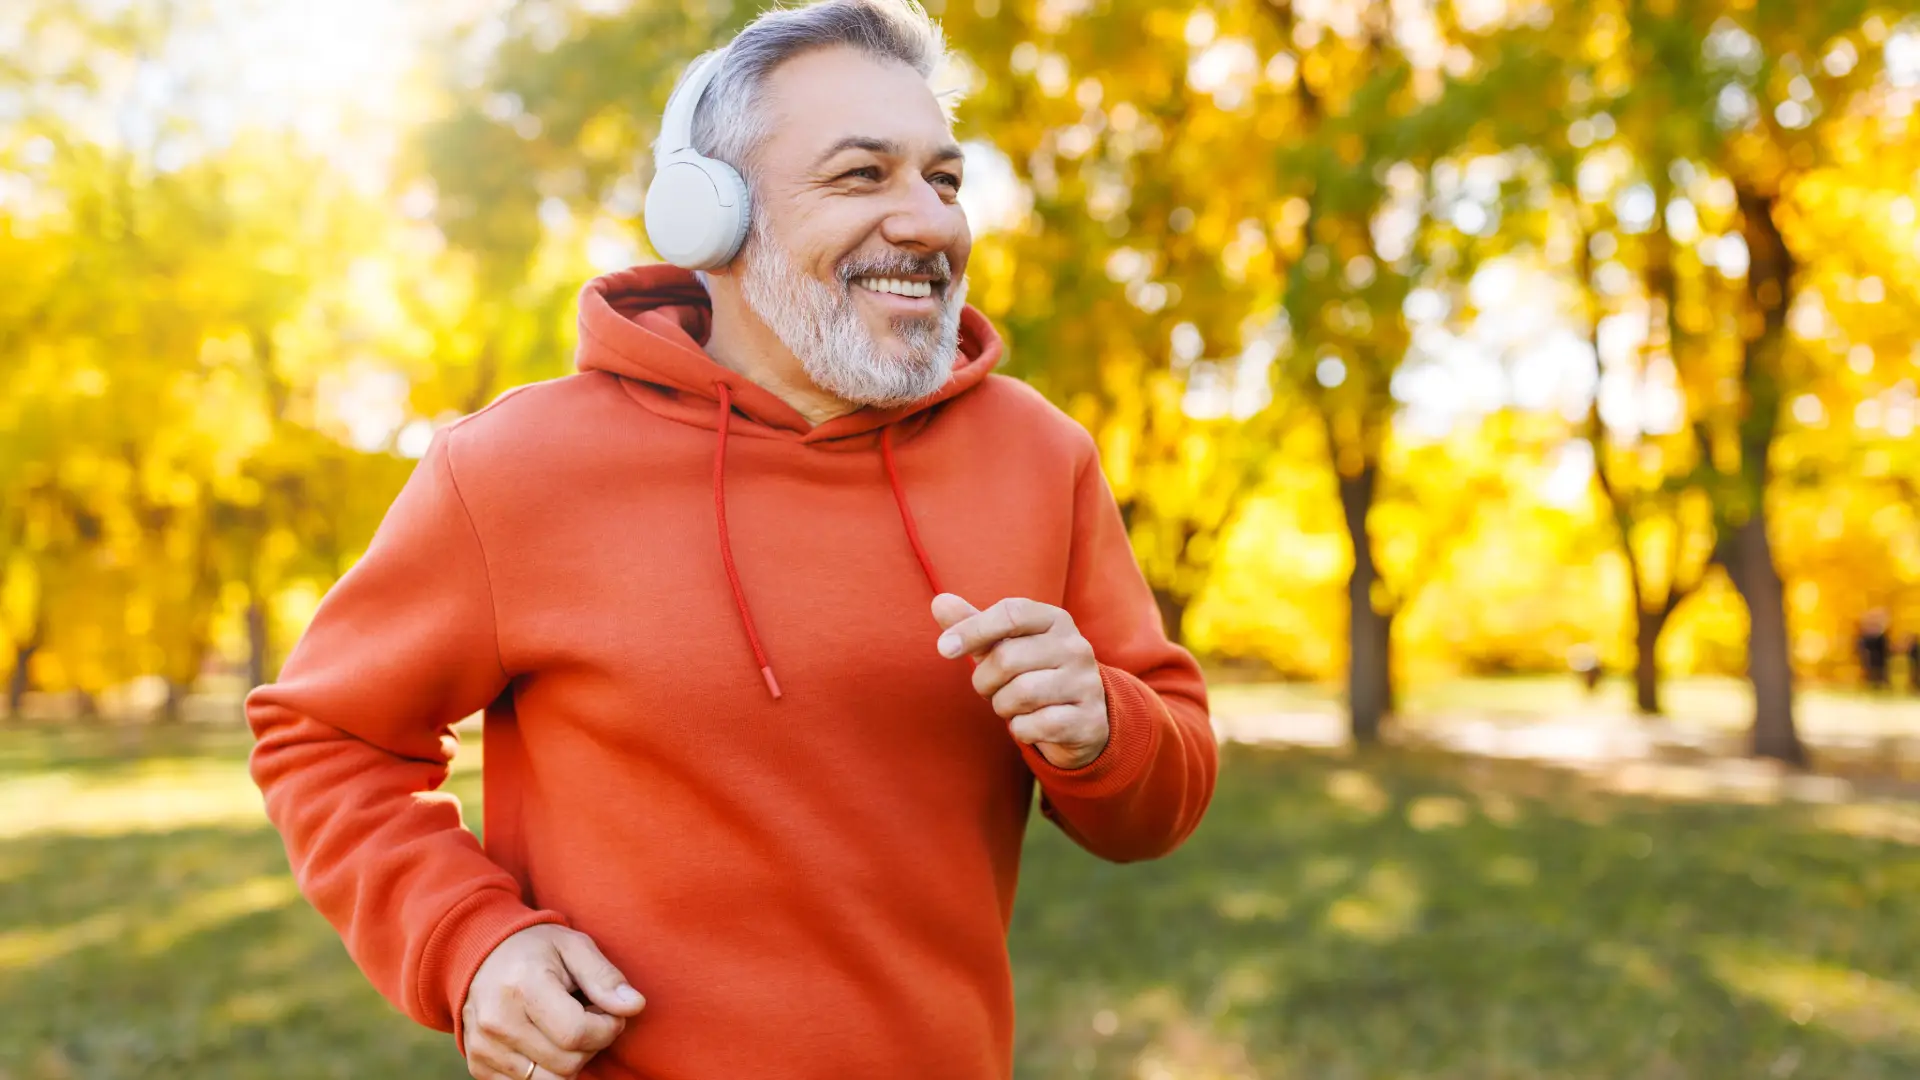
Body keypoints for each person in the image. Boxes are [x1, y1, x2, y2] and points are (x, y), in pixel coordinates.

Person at [244, 3, 1218, 1079]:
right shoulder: (514, 466)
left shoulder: (1041, 456)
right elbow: (325, 737)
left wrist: (1103, 729)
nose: (929, 222)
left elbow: (1160, 801)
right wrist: (470, 943)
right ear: (711, 216)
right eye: (863, 175)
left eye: (944, 181)